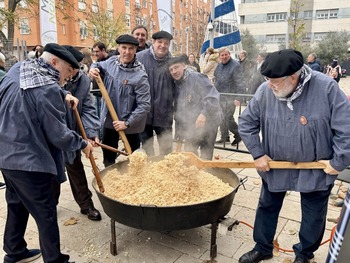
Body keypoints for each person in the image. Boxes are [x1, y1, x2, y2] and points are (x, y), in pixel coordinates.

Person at [238, 49, 350, 263]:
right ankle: (262, 247)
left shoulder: (326, 88)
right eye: (267, 80)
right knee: (267, 206)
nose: (270, 85)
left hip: (316, 168)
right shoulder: (265, 91)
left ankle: (304, 254)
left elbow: (346, 128)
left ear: (293, 76)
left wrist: (338, 162)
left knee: (313, 214)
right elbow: (246, 122)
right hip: (275, 165)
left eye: (274, 81)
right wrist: (258, 153)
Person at [0, 43, 93, 263]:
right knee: (46, 213)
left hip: (6, 154)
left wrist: (63, 94)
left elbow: (33, 89)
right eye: (68, 72)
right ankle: (55, 260)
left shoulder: (19, 69)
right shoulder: (47, 89)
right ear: (54, 63)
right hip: (29, 161)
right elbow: (58, 134)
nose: (68, 79)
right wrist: (82, 144)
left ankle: (14, 251)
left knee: (17, 204)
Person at [90, 34, 151, 167]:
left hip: (130, 126)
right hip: (109, 122)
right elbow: (98, 65)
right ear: (118, 48)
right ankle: (111, 183)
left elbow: (144, 105)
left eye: (131, 49)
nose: (127, 52)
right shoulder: (111, 62)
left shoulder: (140, 75)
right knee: (108, 158)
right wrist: (93, 70)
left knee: (133, 161)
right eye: (124, 48)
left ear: (136, 50)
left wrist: (127, 123)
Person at [58, 45, 102, 221]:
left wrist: (91, 133)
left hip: (74, 133)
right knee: (53, 172)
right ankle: (49, 205)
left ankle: (86, 205)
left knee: (76, 168)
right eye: (71, 68)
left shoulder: (83, 80)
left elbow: (89, 108)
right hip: (53, 134)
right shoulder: (53, 79)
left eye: (77, 67)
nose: (74, 72)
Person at [168, 55, 223, 159]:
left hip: (209, 121)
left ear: (184, 66)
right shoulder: (177, 83)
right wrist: (180, 130)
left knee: (206, 154)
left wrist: (203, 114)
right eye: (171, 69)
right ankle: (195, 171)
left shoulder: (197, 77)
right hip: (193, 124)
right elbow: (181, 109)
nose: (174, 71)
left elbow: (213, 96)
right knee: (190, 151)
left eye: (176, 67)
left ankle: (206, 172)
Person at [136, 30, 175, 156]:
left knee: (167, 150)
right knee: (147, 150)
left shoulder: (173, 62)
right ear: (153, 42)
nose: (163, 45)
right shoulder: (139, 58)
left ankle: (166, 174)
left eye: (166, 43)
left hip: (164, 115)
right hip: (144, 115)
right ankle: (150, 174)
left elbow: (182, 79)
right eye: (160, 42)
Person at [214, 47, 245, 146]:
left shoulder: (236, 66)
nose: (224, 57)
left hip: (231, 97)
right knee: (220, 117)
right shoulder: (218, 66)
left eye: (225, 54)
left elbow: (240, 82)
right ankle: (224, 137)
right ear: (219, 56)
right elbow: (216, 78)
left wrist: (238, 98)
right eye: (222, 55)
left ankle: (238, 134)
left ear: (229, 54)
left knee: (227, 117)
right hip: (220, 95)